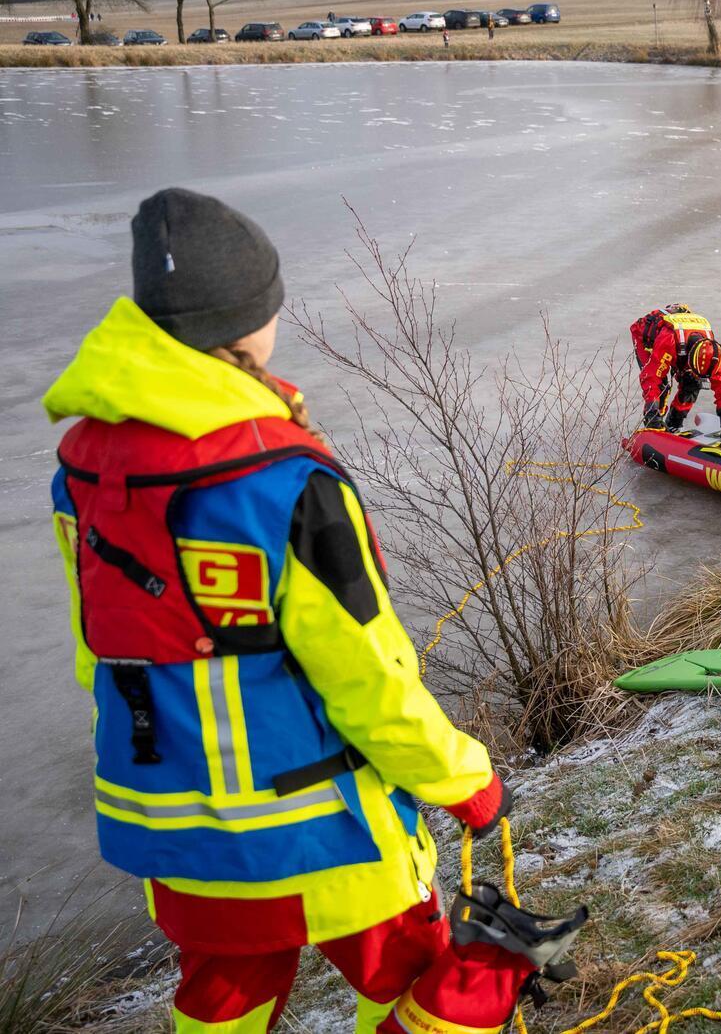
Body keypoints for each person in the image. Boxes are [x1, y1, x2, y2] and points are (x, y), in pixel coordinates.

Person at [44, 188, 511, 1033]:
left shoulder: (80, 468)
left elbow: (95, 655)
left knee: (222, 1000)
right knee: (424, 982)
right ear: (246, 323)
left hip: (172, 828)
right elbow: (369, 675)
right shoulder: (288, 480)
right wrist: (465, 779)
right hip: (318, 829)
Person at [631, 304, 721, 442]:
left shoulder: (713, 353)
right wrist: (653, 415)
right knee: (661, 387)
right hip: (647, 340)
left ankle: (674, 424)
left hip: (682, 344)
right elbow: (652, 378)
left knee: (693, 383)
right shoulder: (669, 340)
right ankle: (654, 427)